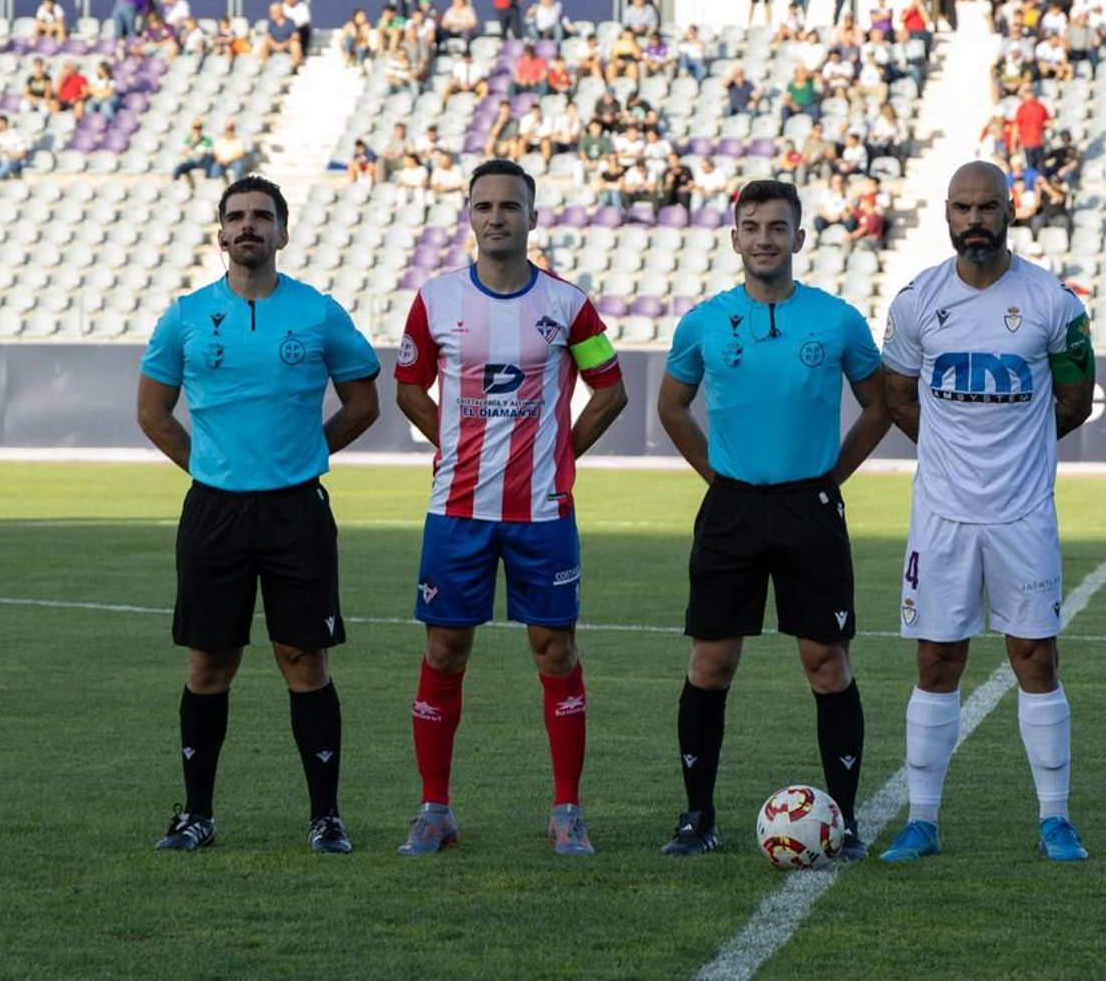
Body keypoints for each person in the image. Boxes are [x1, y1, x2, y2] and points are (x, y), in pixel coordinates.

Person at [137, 175, 382, 854]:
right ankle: (196, 815)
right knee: (208, 662)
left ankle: (326, 818)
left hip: (296, 510)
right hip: (214, 512)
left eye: (262, 216)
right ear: (221, 232)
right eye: (237, 216)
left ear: (282, 232)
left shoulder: (318, 312)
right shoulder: (185, 316)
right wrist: (209, 467)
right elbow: (152, 412)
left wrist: (304, 453)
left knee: (304, 660)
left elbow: (364, 403)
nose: (249, 225)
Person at [393, 160, 628, 857]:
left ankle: (567, 810)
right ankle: (434, 809)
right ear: (470, 215)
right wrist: (453, 444)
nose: (496, 216)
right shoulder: (435, 299)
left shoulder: (569, 304)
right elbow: (407, 386)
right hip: (456, 511)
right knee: (444, 650)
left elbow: (610, 389)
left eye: (510, 206)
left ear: (532, 216)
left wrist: (561, 453)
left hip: (542, 514)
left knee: (556, 652)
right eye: (484, 205)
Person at [656, 178, 890, 859]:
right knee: (711, 663)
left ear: (799, 238)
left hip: (809, 506)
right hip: (731, 507)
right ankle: (698, 816)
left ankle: (844, 820)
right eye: (753, 227)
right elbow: (671, 406)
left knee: (827, 663)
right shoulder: (703, 322)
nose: (764, 239)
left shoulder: (838, 319)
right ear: (735, 239)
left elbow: (879, 406)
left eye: (778, 227)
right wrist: (716, 476)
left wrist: (831, 477)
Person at [877, 160, 1095, 865]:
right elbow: (898, 398)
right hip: (941, 515)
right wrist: (953, 454)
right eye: (963, 208)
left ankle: (1055, 818)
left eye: (988, 207)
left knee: (1035, 656)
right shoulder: (916, 301)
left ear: (1010, 211)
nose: (975, 220)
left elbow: (1075, 401)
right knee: (937, 658)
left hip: (1022, 513)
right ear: (947, 213)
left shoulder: (1054, 303)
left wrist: (1015, 453)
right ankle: (922, 820)